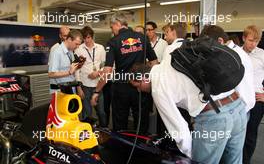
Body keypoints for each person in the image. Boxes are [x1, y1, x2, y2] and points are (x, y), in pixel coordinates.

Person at [130, 35, 249, 163]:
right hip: (238, 107)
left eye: (137, 86)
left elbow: (180, 131)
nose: (138, 90)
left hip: (215, 118)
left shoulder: (158, 87)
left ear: (143, 78)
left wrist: (192, 157)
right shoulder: (171, 56)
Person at [90, 13, 158, 134]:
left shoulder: (113, 42)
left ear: (117, 24)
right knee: (141, 122)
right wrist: (151, 83)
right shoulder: (142, 38)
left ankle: (121, 149)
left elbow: (107, 71)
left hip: (121, 88)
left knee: (120, 123)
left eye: (112, 27)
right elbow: (155, 63)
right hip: (141, 87)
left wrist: (96, 91)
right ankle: (141, 148)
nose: (112, 30)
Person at [74, 26, 107, 127]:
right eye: (84, 38)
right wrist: (79, 87)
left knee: (101, 112)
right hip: (85, 85)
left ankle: (104, 131)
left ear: (92, 37)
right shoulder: (79, 49)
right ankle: (87, 134)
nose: (86, 40)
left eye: (88, 37)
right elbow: (76, 69)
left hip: (98, 85)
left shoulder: (100, 48)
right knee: (86, 113)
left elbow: (104, 65)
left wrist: (98, 72)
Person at [242, 25, 264, 164]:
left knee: (250, 134)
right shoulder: (236, 52)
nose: (253, 44)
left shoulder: (262, 54)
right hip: (240, 98)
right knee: (237, 133)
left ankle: (245, 161)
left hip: (257, 99)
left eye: (256, 41)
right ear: (244, 38)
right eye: (250, 40)